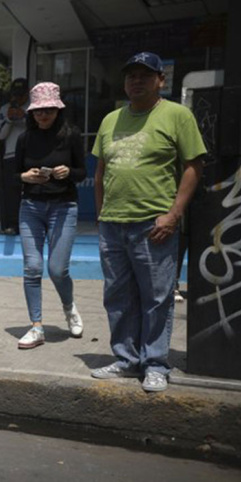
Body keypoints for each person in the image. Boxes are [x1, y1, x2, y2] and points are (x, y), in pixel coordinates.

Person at [91, 52, 206, 392]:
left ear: (160, 80)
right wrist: (100, 216)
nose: (136, 81)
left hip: (153, 225)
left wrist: (173, 215)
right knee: (118, 296)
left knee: (156, 298)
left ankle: (155, 363)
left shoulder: (177, 115)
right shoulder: (110, 119)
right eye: (131, 76)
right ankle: (126, 360)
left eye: (145, 75)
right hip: (112, 224)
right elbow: (100, 174)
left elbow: (193, 167)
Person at [14, 82, 86, 350]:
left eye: (49, 110)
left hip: (63, 206)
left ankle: (69, 307)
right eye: (38, 111)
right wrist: (24, 176)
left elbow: (82, 172)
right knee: (32, 268)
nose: (43, 115)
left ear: (58, 109)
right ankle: (36, 327)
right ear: (31, 113)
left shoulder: (71, 135)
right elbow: (11, 175)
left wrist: (69, 172)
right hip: (31, 206)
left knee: (57, 269)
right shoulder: (25, 138)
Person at [0, 78, 30, 234]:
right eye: (15, 95)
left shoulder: (33, 108)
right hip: (10, 156)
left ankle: (31, 225)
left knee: (31, 191)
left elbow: (40, 129)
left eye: (21, 95)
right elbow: (0, 135)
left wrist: (25, 117)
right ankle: (12, 225)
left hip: (31, 155)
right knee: (12, 193)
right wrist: (9, 118)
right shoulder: (4, 109)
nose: (17, 99)